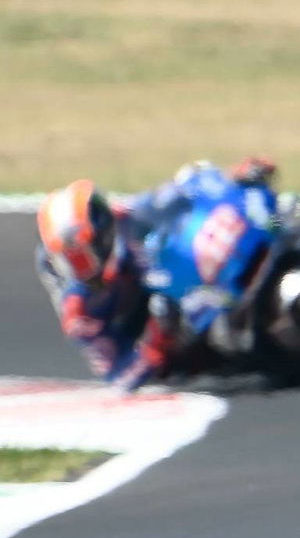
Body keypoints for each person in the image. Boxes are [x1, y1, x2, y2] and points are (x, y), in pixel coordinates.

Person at [35, 158, 279, 390]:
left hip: (197, 284)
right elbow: (119, 377)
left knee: (271, 216)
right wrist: (156, 345)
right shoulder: (82, 316)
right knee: (220, 353)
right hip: (171, 345)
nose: (82, 266)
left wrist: (236, 176)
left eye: (83, 254)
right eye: (72, 258)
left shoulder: (131, 216)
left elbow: (184, 188)